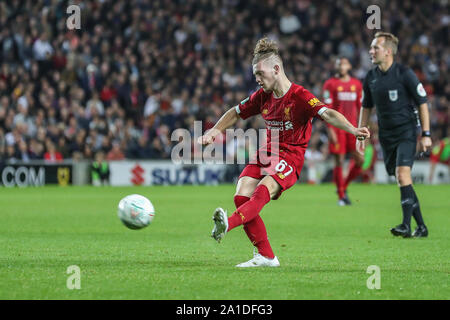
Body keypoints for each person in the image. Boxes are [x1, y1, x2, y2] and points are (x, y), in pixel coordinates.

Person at [198, 37, 370, 267]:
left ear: (276, 69)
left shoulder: (300, 96)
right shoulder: (262, 97)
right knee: (241, 195)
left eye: (260, 74)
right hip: (267, 151)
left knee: (262, 190)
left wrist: (352, 129)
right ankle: (267, 257)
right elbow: (236, 112)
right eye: (255, 75)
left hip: (291, 155)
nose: (257, 79)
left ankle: (227, 224)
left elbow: (327, 113)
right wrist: (215, 130)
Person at [357, 32, 432, 238]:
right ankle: (422, 227)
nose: (371, 51)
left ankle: (406, 226)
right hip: (386, 136)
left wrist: (425, 133)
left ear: (388, 52)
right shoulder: (371, 77)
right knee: (401, 178)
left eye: (376, 48)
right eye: (371, 48)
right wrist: (360, 133)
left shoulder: (404, 73)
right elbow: (366, 107)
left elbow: (422, 102)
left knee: (402, 174)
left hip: (407, 132)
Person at [323, 57, 364, 205]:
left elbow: (361, 108)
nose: (341, 66)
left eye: (344, 64)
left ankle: (343, 187)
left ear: (349, 66)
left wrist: (363, 127)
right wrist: (330, 130)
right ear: (336, 66)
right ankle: (341, 196)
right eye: (339, 64)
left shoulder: (356, 84)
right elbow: (327, 110)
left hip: (353, 128)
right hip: (338, 128)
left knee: (360, 160)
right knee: (339, 160)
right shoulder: (330, 84)